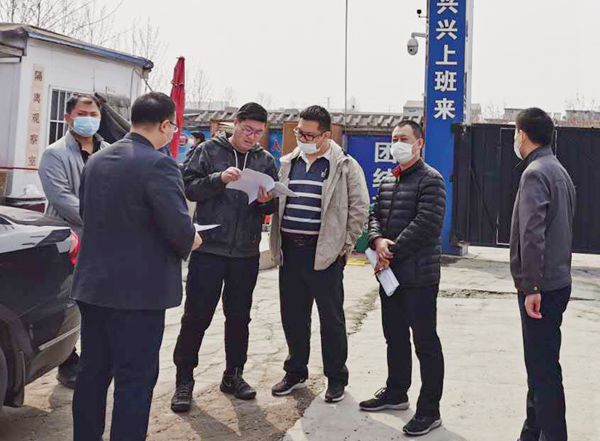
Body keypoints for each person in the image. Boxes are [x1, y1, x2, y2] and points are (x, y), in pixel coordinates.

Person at [70, 92, 202, 441]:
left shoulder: (97, 159)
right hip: (138, 296)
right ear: (164, 125)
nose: (173, 133)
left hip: (93, 287)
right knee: (134, 380)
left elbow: (86, 214)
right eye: (173, 127)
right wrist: (193, 238)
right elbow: (178, 229)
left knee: (92, 374)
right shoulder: (159, 164)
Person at [171, 102, 278, 412]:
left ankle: (234, 375)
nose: (252, 137)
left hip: (245, 251)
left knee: (239, 317)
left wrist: (265, 201)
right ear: (235, 123)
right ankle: (184, 380)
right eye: (247, 130)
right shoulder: (208, 151)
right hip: (209, 248)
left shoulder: (265, 160)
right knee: (196, 316)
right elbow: (189, 188)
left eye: (258, 133)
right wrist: (219, 179)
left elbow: (271, 205)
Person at [269, 105, 370, 403]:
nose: (302, 138)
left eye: (309, 135)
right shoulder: (288, 163)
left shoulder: (345, 166)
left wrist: (344, 248)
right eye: (299, 132)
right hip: (291, 251)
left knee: (331, 319)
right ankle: (295, 371)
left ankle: (336, 377)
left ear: (326, 135)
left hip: (325, 253)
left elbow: (359, 208)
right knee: (293, 316)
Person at [359, 121, 446, 437]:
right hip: (390, 276)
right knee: (394, 336)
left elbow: (427, 223)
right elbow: (374, 216)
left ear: (419, 143)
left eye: (404, 138)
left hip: (419, 276)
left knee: (425, 342)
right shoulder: (387, 180)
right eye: (394, 138)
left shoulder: (431, 180)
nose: (398, 143)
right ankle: (396, 392)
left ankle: (430, 410)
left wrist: (390, 250)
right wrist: (377, 240)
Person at [511, 108, 575, 441]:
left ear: (522, 134)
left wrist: (532, 286)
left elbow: (532, 234)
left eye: (515, 132)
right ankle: (531, 432)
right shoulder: (559, 171)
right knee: (541, 365)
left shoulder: (535, 173)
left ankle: (552, 435)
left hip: (542, 288)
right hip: (558, 282)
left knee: (544, 372)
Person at [38, 93, 109, 389]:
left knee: (94, 300)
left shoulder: (110, 151)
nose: (88, 120)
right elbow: (62, 199)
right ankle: (66, 360)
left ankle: (92, 356)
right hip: (69, 238)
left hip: (102, 239)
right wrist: (106, 217)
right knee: (67, 300)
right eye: (82, 114)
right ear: (68, 117)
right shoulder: (54, 154)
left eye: (94, 115)